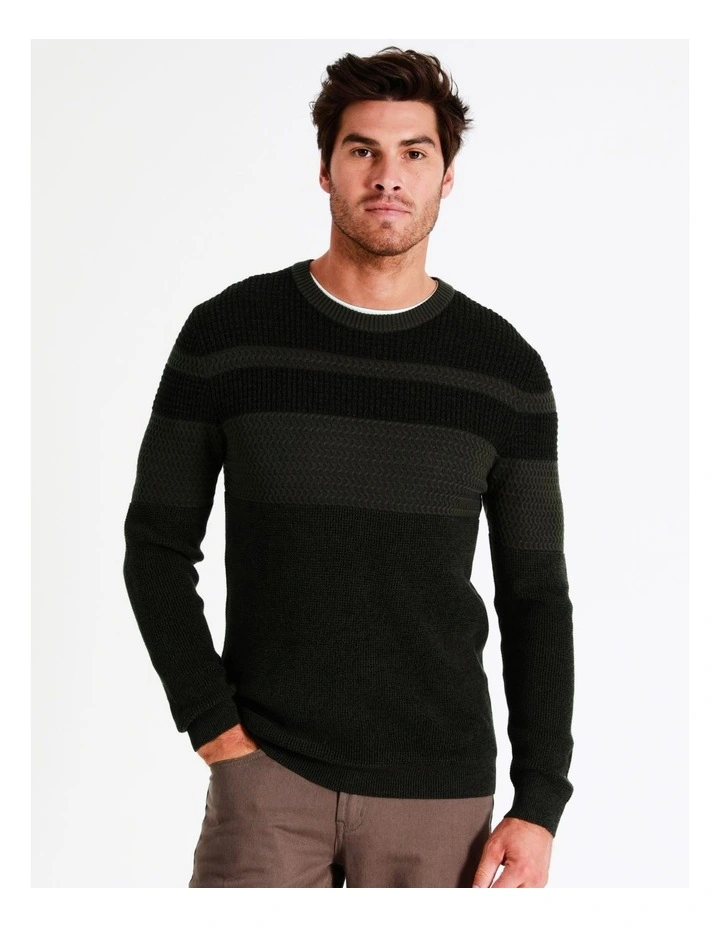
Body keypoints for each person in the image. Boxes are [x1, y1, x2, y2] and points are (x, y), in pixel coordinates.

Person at [123, 46, 575, 889]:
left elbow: (536, 595)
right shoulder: (229, 336)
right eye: (362, 149)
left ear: (447, 177)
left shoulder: (503, 370)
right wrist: (214, 728)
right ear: (325, 169)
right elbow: (154, 545)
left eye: (415, 153)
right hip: (265, 780)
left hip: (439, 796)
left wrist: (540, 801)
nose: (387, 176)